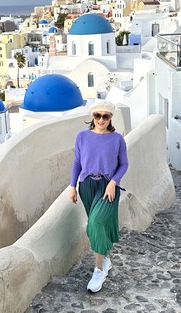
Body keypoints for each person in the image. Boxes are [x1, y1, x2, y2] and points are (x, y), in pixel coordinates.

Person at [69, 100, 128, 293]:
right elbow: (77, 162)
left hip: (108, 187)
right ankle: (106, 258)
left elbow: (123, 164)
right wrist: (72, 186)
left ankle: (99, 269)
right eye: (97, 115)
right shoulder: (82, 137)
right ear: (92, 117)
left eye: (105, 116)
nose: (101, 119)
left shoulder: (117, 139)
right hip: (87, 185)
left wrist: (113, 183)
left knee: (95, 223)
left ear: (110, 118)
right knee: (96, 224)